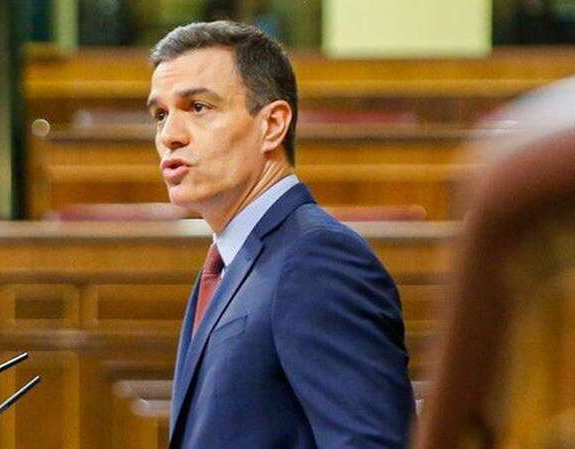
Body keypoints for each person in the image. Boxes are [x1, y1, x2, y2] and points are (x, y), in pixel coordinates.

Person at [147, 21, 414, 449]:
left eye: (198, 107)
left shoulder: (318, 259)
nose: (169, 136)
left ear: (272, 125)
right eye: (160, 114)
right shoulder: (231, 262)